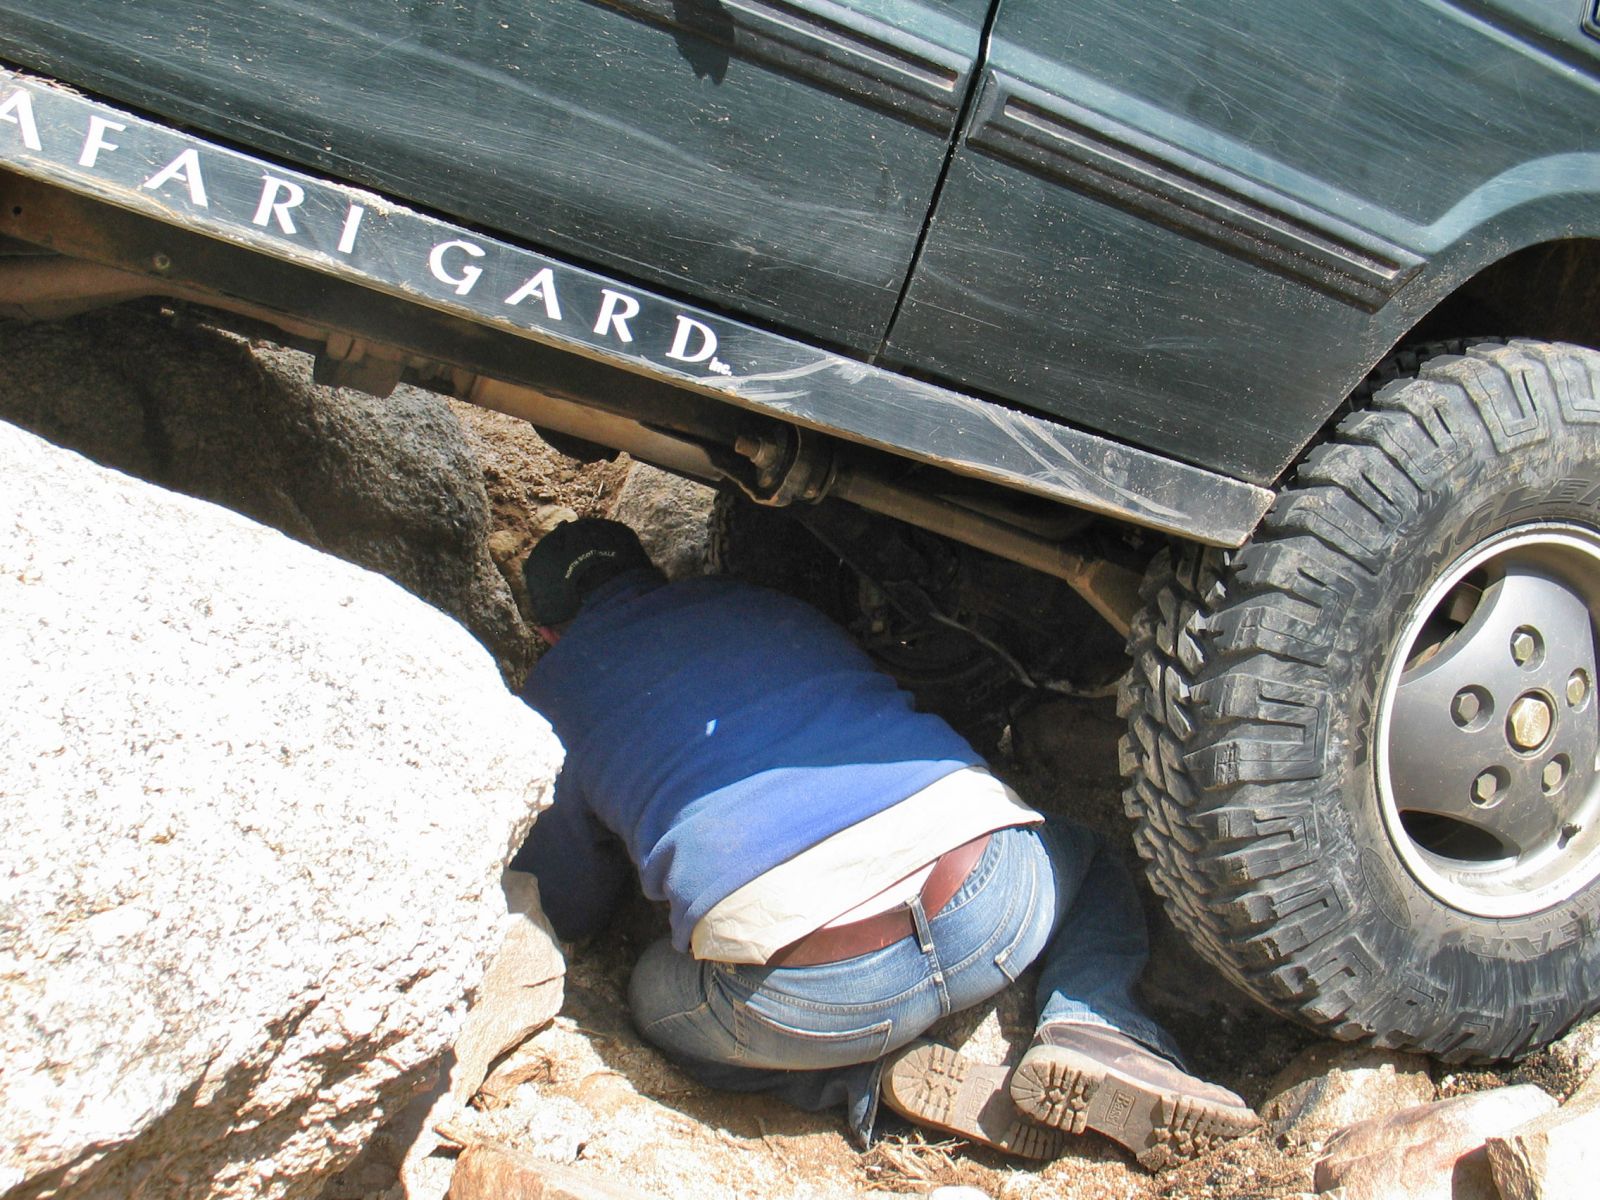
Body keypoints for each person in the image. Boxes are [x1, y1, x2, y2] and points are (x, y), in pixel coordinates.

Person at [510, 517, 1258, 1169]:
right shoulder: (754, 598)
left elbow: (565, 903)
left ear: (548, 634)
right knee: (1086, 860)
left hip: (814, 998)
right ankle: (1094, 1026)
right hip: (988, 904)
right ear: (651, 572)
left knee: (652, 997)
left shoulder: (550, 694)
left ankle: (866, 1082)